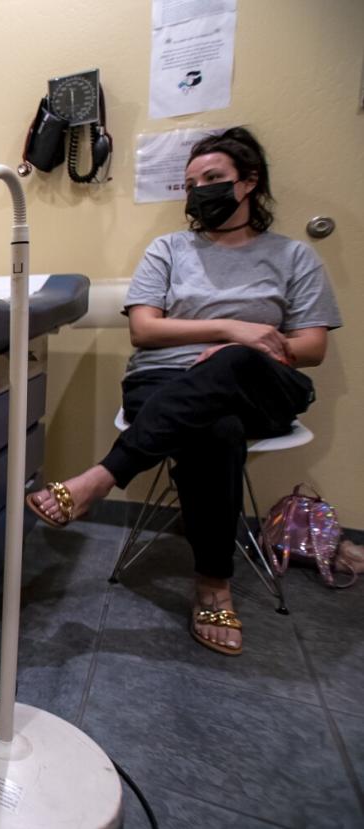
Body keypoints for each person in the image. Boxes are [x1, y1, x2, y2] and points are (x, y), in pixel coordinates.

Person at [26, 127, 341, 656]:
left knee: (236, 367)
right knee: (215, 428)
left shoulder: (293, 258)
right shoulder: (168, 250)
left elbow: (310, 348)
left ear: (248, 183)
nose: (199, 191)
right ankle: (214, 585)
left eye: (213, 179)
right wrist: (233, 329)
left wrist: (240, 353)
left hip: (260, 385)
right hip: (165, 381)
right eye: (191, 182)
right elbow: (145, 331)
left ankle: (102, 477)